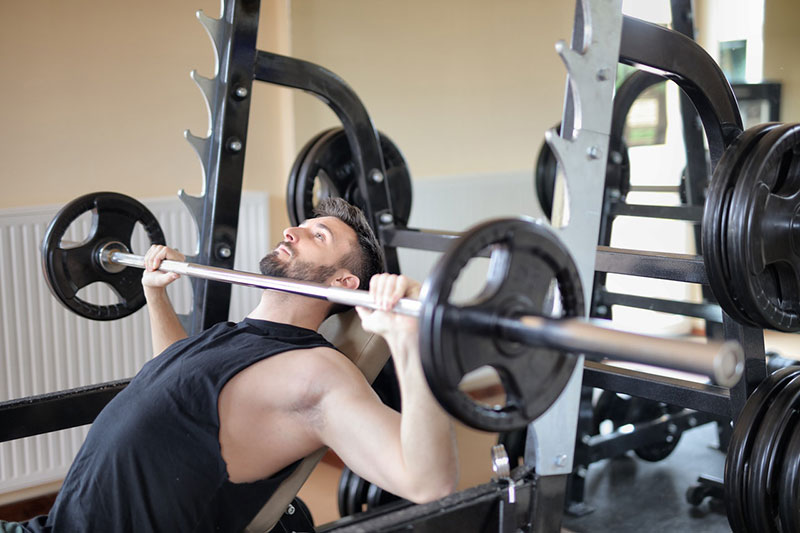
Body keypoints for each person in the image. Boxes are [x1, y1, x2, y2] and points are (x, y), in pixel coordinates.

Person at [20, 198, 458, 532]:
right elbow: (172, 389)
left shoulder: (315, 372)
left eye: (317, 236)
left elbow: (428, 483)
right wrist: (156, 294)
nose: (291, 232)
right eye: (301, 226)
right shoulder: (232, 334)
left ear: (343, 283)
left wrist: (412, 339)